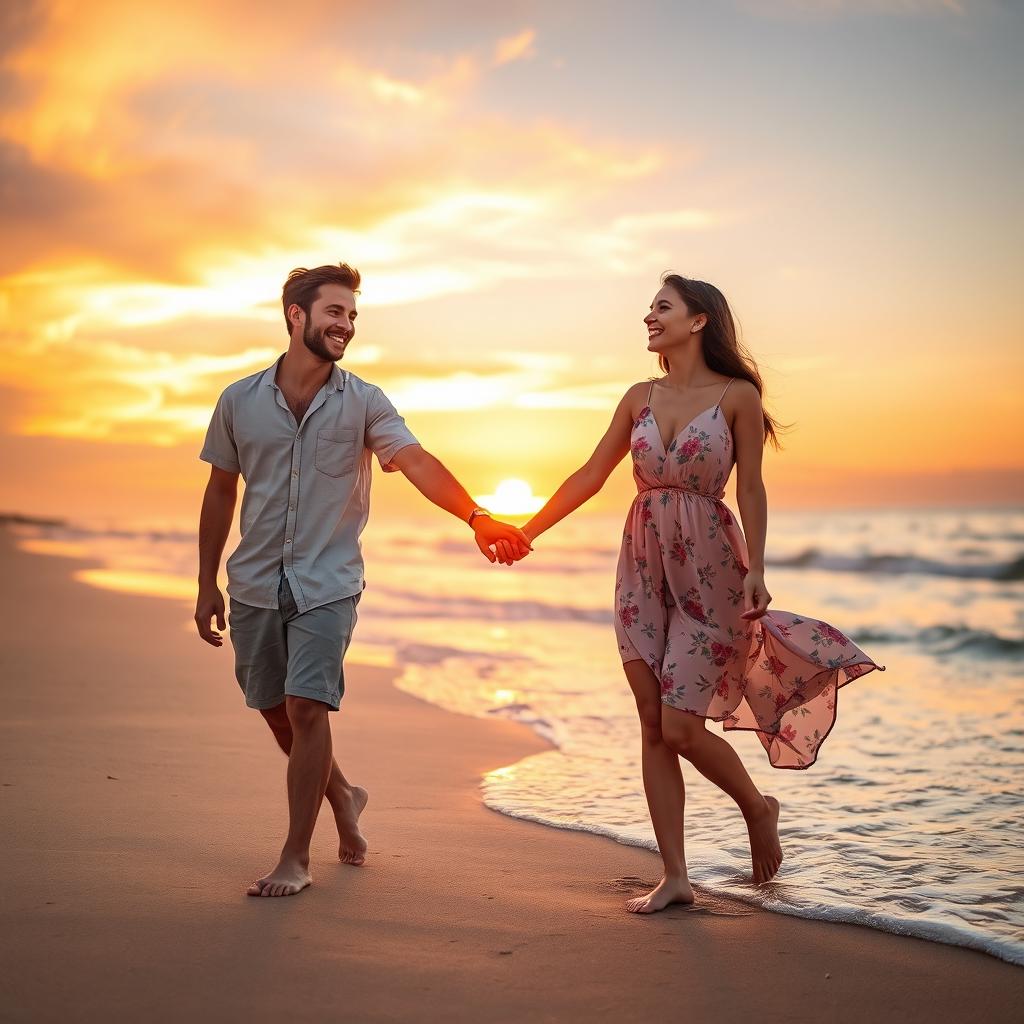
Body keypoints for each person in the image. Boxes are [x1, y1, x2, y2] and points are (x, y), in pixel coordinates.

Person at [521, 274, 884, 914]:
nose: (648, 318)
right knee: (651, 725)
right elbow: (591, 473)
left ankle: (757, 807)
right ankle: (675, 875)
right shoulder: (638, 396)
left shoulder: (737, 396)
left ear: (699, 321)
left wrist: (759, 567)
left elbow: (751, 490)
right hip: (642, 568)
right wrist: (527, 530)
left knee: (681, 725)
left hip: (711, 569)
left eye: (662, 308)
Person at [194, 263, 531, 898]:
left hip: (329, 582)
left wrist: (476, 515)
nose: (345, 325)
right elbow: (219, 490)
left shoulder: (366, 401)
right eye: (334, 312)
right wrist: (206, 582)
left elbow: (416, 460)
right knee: (276, 710)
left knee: (307, 706)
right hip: (254, 582)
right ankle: (345, 796)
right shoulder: (238, 400)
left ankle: (296, 856)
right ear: (296, 315)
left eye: (351, 315)